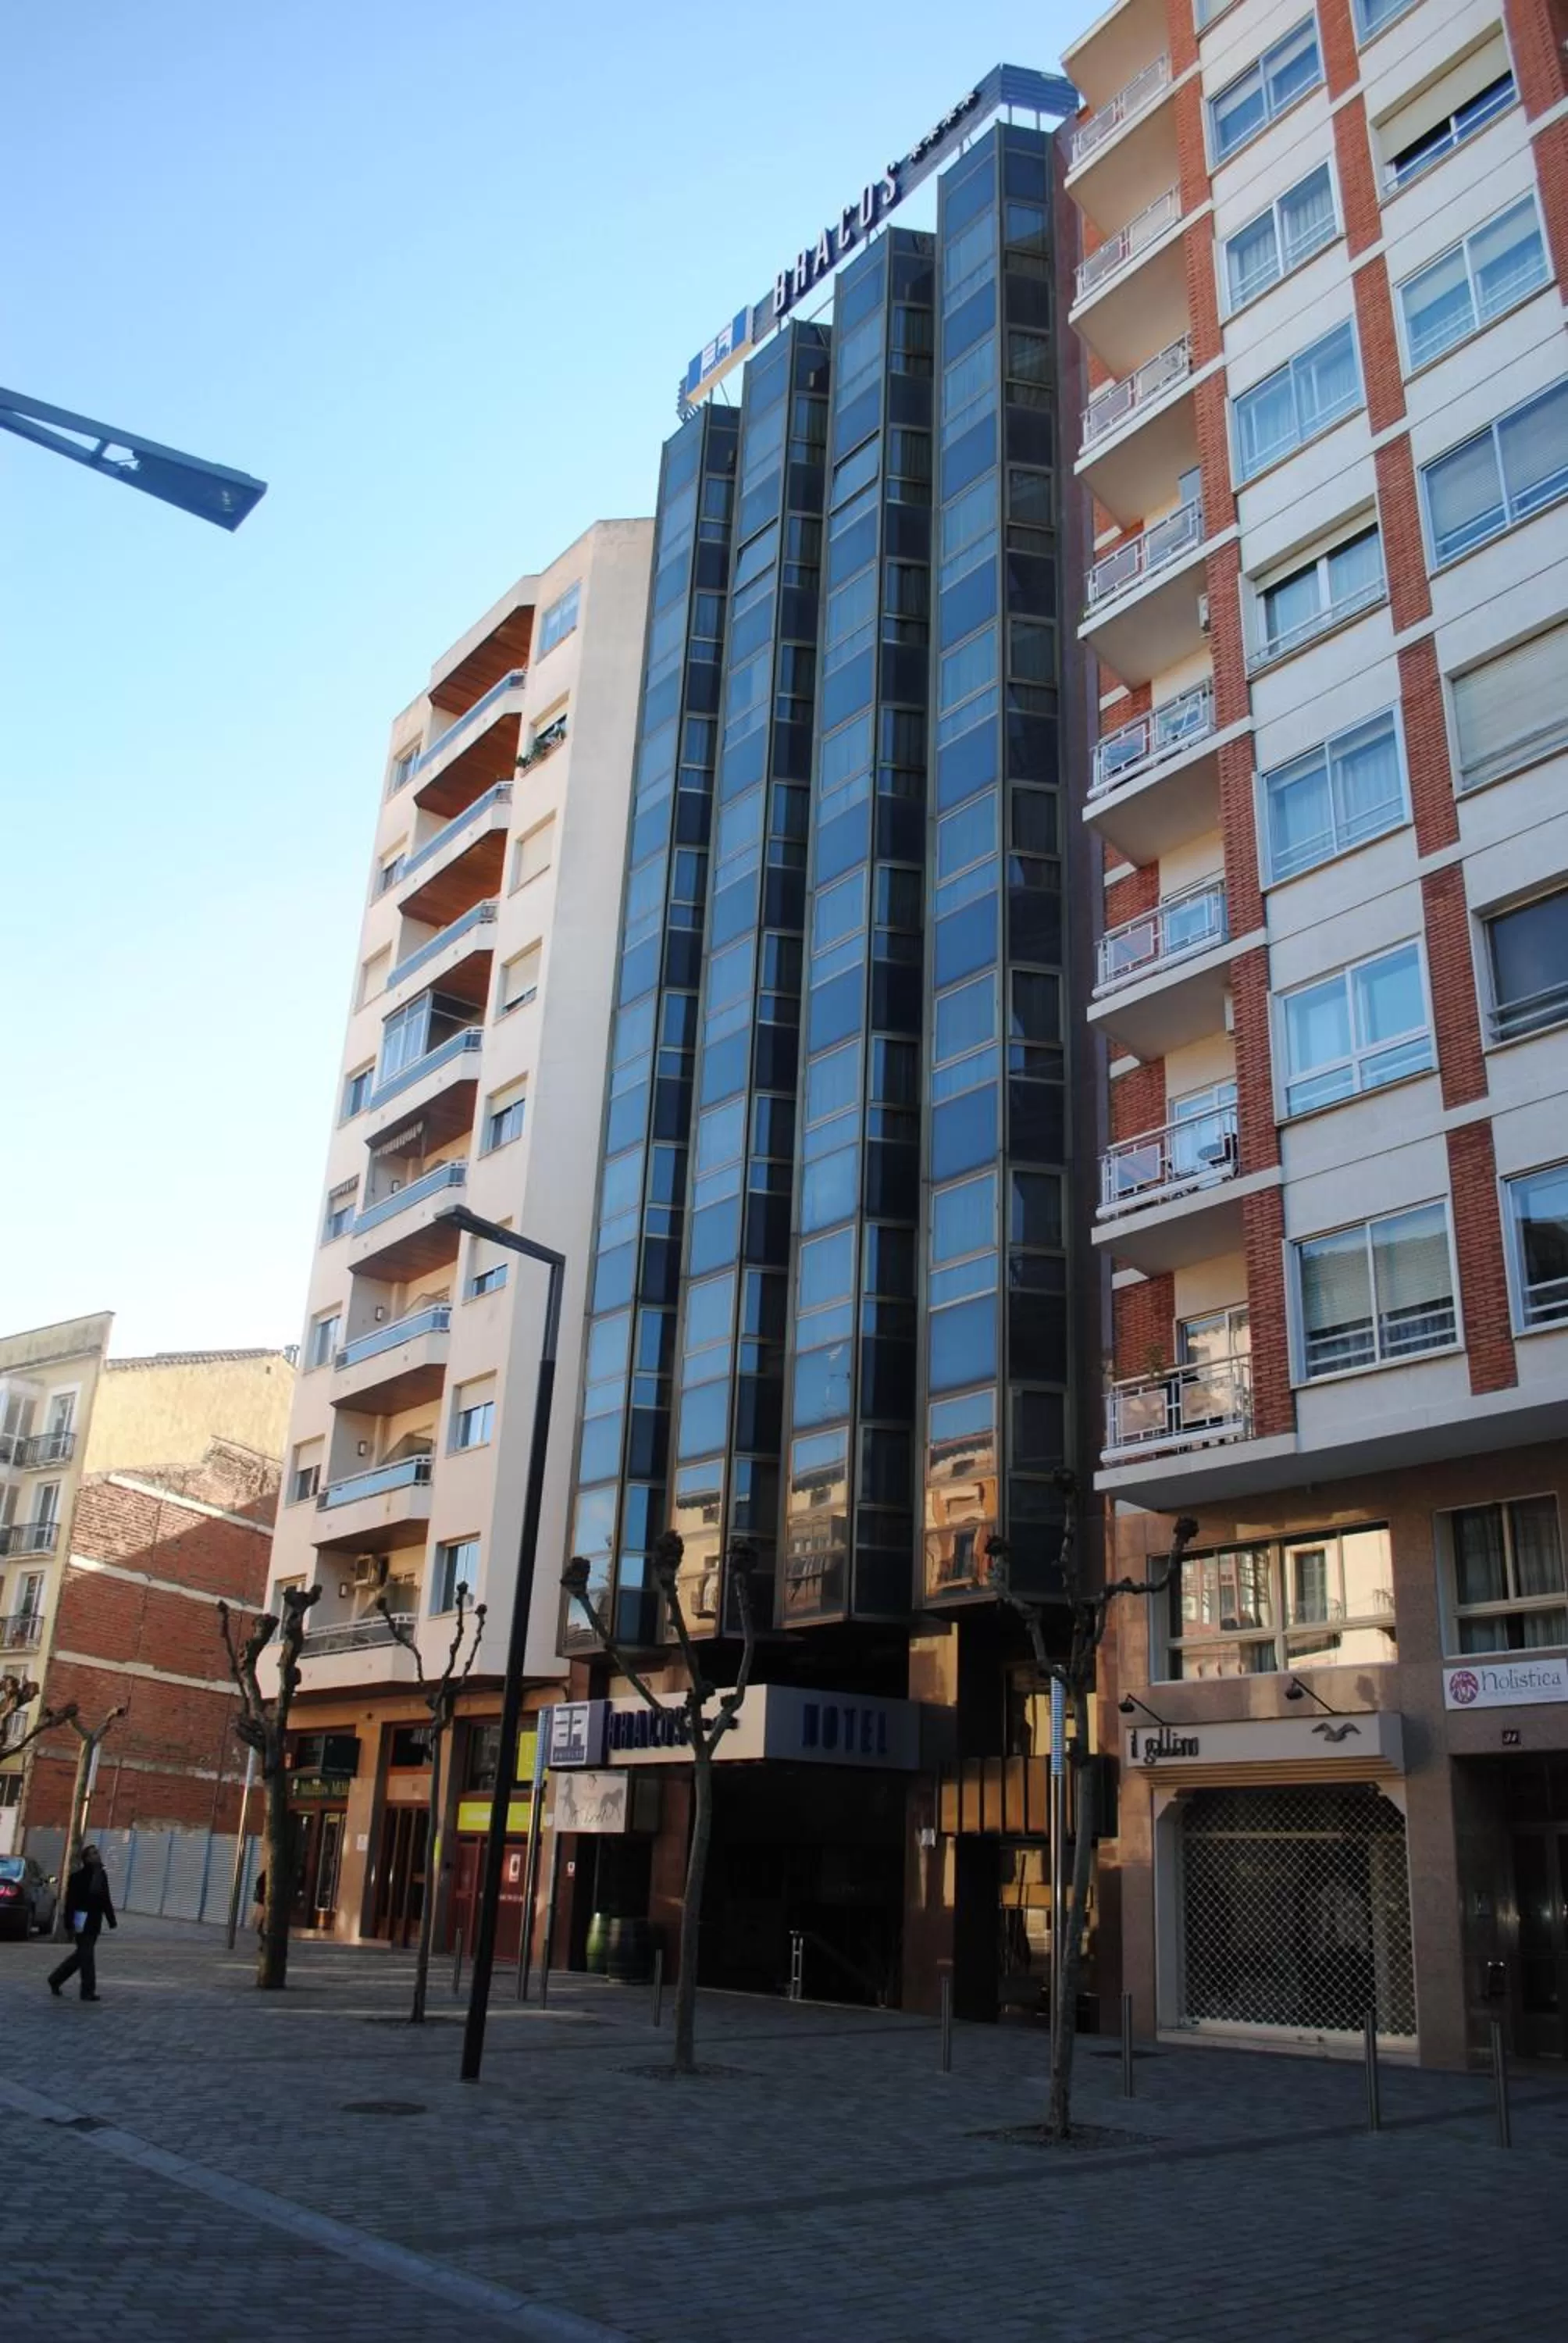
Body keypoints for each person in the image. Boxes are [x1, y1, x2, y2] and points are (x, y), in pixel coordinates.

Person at [47, 1843, 117, 2001]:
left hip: (94, 1920)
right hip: (80, 1917)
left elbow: (106, 1899)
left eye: (97, 1853)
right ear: (86, 1858)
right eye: (93, 1854)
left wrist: (111, 1919)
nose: (97, 1855)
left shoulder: (101, 1875)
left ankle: (55, 1979)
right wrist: (68, 1924)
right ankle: (87, 1991)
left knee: (81, 1955)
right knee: (87, 1955)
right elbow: (71, 1902)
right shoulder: (77, 1877)